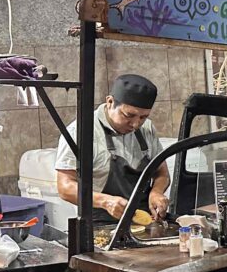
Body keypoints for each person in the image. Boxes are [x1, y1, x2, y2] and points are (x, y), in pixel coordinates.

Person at [55, 74, 171, 223]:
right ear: (110, 102)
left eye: (143, 117)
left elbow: (162, 173)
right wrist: (105, 201)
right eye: (129, 115)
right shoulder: (80, 132)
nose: (136, 124)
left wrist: (156, 191)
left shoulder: (147, 129)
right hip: (101, 225)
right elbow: (65, 187)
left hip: (145, 222)